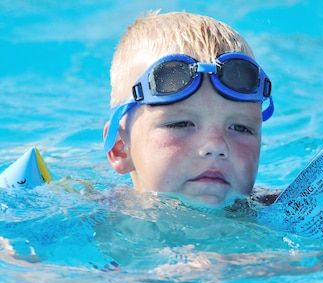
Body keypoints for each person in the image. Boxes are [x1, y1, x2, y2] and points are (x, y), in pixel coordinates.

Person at [103, 10, 275, 208]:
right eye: (181, 124)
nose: (215, 146)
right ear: (120, 147)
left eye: (241, 128)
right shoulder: (93, 219)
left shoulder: (291, 212)